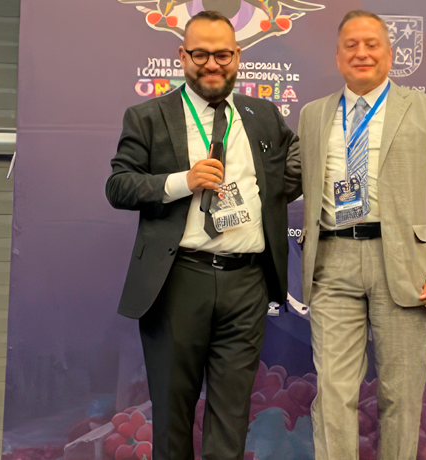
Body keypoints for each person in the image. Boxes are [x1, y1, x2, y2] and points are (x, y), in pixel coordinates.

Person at [105, 10, 301, 460]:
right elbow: (119, 185)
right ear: (182, 56)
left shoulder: (263, 115)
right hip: (178, 280)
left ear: (238, 56)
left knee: (231, 417)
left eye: (223, 55)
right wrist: (182, 181)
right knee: (173, 417)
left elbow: (288, 173)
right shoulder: (148, 116)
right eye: (200, 55)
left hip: (247, 284)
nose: (212, 65)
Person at [296, 9, 426, 460]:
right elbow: (285, 178)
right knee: (333, 395)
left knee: (401, 398)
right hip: (331, 263)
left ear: (390, 54)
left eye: (372, 43)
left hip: (406, 266)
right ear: (337, 57)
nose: (362, 52)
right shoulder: (313, 116)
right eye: (351, 44)